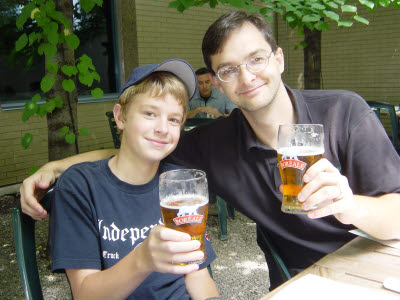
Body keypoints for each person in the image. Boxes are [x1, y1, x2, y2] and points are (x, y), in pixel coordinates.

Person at [20, 11, 400, 291]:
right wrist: (58, 165)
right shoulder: (212, 144)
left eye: (256, 59)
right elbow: (139, 151)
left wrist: (351, 206)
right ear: (217, 81)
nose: (247, 77)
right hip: (301, 284)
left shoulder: (342, 111)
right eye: (229, 69)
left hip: (378, 264)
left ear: (279, 59)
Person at [49, 59, 220, 300]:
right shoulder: (81, 185)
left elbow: (198, 277)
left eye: (173, 119)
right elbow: (85, 294)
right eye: (150, 113)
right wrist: (142, 259)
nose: (162, 128)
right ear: (121, 117)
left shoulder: (178, 184)